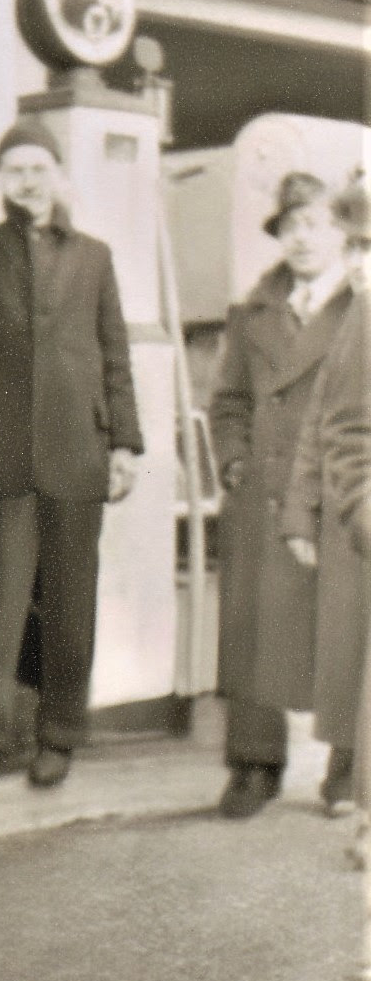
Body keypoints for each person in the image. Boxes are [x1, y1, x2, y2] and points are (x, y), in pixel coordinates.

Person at [0, 119, 142, 795]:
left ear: (58, 175)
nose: (27, 180)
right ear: (1, 179)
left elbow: (115, 354)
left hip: (79, 455)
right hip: (2, 455)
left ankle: (60, 734)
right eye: (14, 169)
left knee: (70, 604)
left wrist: (125, 444)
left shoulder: (94, 257)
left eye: (37, 167)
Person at [210, 170, 353, 819]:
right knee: (253, 630)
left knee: (344, 625)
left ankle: (350, 767)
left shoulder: (362, 307)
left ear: (343, 233)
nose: (302, 238)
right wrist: (235, 463)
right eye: (290, 226)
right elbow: (229, 400)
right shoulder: (252, 311)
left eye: (316, 224)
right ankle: (253, 764)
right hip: (262, 494)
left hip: (338, 489)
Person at [280, 175, 370, 818]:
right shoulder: (357, 320)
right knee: (351, 657)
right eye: (357, 246)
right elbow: (327, 425)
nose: (360, 262)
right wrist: (304, 511)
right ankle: (349, 781)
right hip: (357, 518)